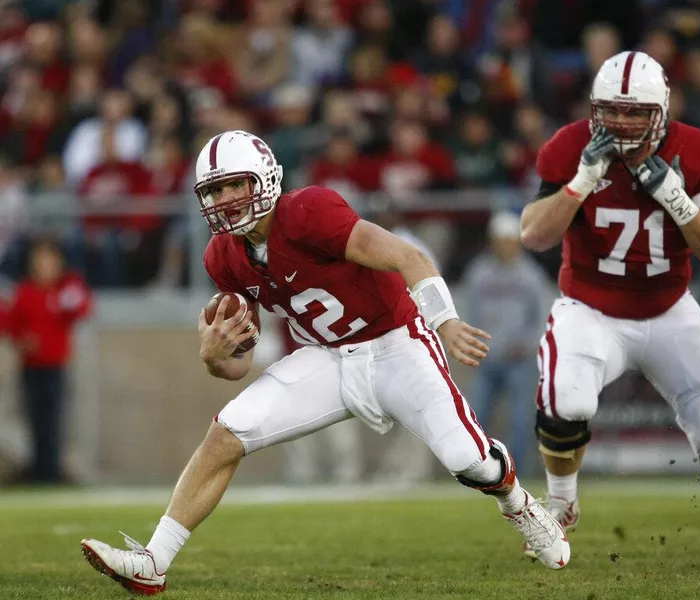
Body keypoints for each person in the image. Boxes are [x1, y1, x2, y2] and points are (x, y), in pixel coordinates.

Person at [79, 129, 570, 595]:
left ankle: (518, 502)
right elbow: (238, 364)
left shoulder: (309, 211)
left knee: (469, 461)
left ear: (265, 178)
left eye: (235, 184)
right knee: (227, 431)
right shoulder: (223, 257)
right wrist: (211, 356)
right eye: (216, 190)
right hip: (329, 358)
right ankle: (153, 561)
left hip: (397, 342)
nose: (226, 199)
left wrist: (446, 321)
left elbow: (407, 256)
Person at [519, 50, 700, 572]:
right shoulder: (573, 146)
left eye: (635, 112)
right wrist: (580, 182)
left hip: (668, 308)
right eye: (611, 110)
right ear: (594, 109)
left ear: (661, 112)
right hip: (590, 307)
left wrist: (674, 194)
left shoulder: (698, 151)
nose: (621, 123)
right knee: (564, 400)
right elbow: (533, 233)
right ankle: (560, 505)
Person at [462, 211, 555, 477]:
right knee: (475, 418)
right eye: (501, 240)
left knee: (520, 421)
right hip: (486, 358)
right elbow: (468, 313)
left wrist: (526, 344)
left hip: (519, 359)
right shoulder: (478, 272)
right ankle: (476, 472)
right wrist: (472, 345)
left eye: (509, 240)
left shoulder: (530, 275)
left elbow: (543, 317)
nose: (505, 245)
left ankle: (515, 475)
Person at [6, 238, 92, 484]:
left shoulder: (65, 290)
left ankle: (52, 468)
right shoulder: (25, 292)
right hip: (31, 366)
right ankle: (38, 467)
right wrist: (23, 341)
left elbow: (83, 308)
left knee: (54, 418)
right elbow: (12, 326)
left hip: (55, 366)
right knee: (35, 418)